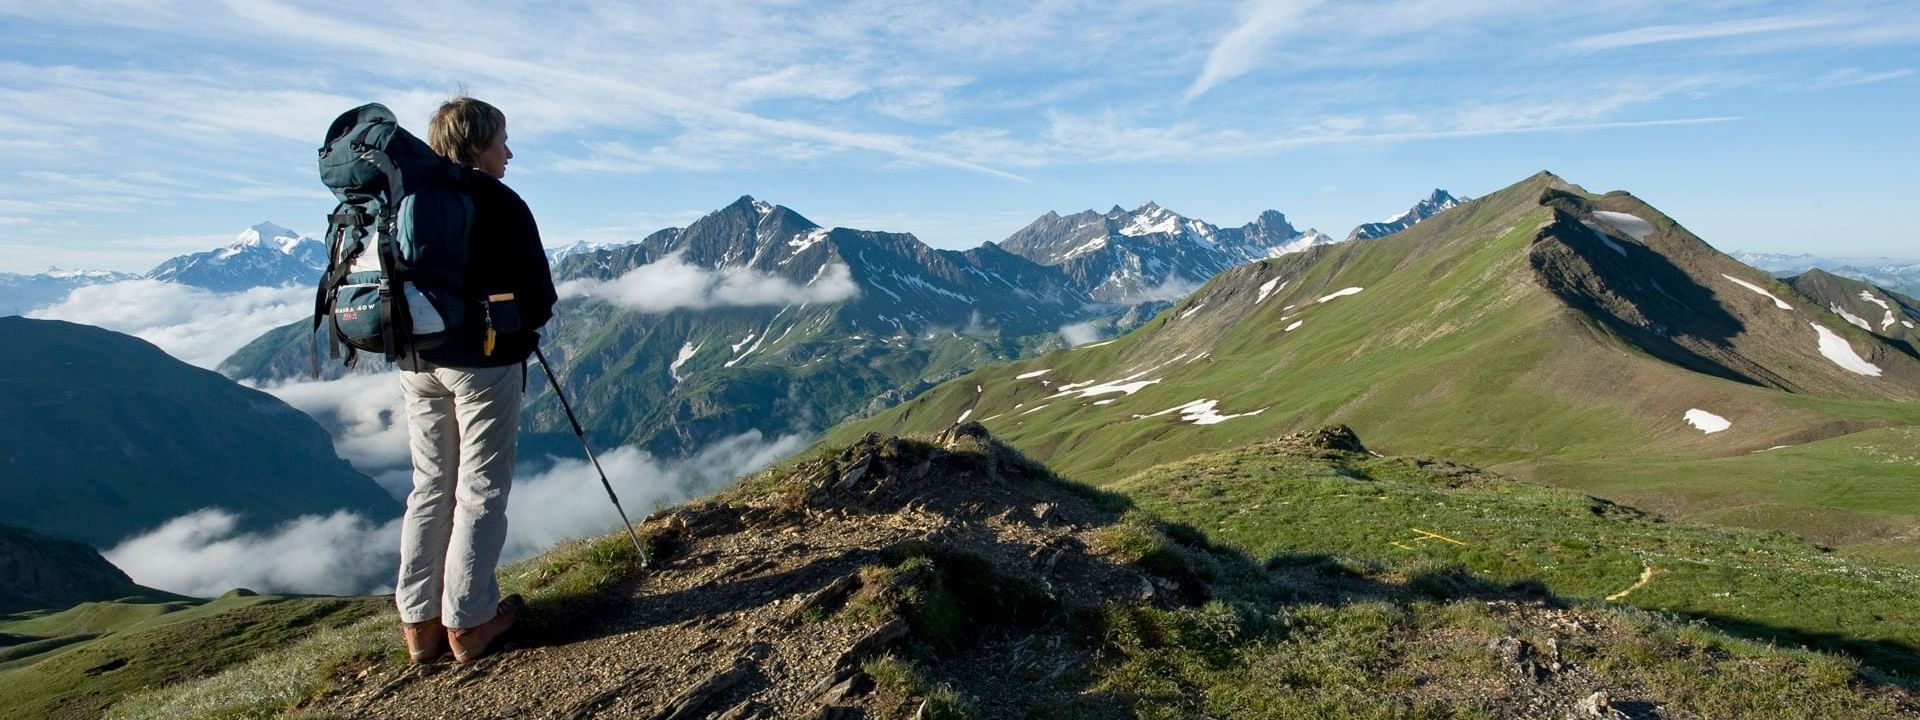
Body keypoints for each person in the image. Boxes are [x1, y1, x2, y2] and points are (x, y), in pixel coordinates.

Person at [395, 96, 557, 663]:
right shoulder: (498, 200)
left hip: (414, 363)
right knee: (481, 487)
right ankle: (470, 622)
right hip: (483, 366)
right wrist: (522, 327)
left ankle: (420, 624)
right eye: (501, 142)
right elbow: (539, 297)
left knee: (430, 484)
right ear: (474, 145)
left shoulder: (405, 199)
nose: (508, 153)